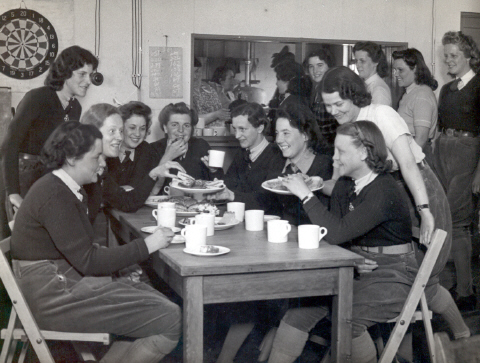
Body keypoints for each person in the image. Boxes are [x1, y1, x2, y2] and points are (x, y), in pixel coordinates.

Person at [265, 121, 469, 363]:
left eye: (341, 151)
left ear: (363, 153)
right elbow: (342, 233)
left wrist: (306, 195)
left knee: (347, 320)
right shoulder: (345, 185)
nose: (335, 158)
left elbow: (337, 232)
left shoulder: (383, 189)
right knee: (298, 313)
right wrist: (352, 258)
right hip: (363, 264)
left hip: (395, 272)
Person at [10, 121, 182, 363]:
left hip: (60, 282)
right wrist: (148, 245)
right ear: (71, 157)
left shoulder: (63, 188)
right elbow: (90, 261)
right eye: (97, 156)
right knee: (170, 318)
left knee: (156, 300)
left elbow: (84, 252)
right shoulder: (55, 195)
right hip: (52, 295)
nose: (103, 164)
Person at [1, 45, 98, 210]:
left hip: (47, 180)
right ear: (65, 73)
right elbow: (9, 146)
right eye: (82, 74)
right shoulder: (37, 98)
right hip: (22, 179)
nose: (88, 81)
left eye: (91, 75)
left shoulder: (75, 108)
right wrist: (13, 193)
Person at [433, 31, 480, 311]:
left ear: (468, 56)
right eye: (445, 55)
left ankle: (466, 291)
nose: (448, 60)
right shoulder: (446, 90)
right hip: (444, 150)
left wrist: (479, 174)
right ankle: (460, 285)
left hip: (468, 153)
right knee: (445, 216)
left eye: (453, 55)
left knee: (457, 221)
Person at [81, 104, 183, 218]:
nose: (119, 137)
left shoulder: (100, 169)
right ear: (93, 132)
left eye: (120, 131)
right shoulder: (83, 167)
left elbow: (127, 202)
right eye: (112, 131)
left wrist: (153, 174)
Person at [209, 102, 285, 213]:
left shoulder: (277, 155)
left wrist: (233, 196)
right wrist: (215, 171)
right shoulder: (243, 153)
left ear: (260, 128)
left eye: (242, 129)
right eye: (235, 129)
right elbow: (229, 185)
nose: (237, 136)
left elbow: (267, 202)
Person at [274, 103, 332, 225]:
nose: (278, 140)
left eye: (286, 133)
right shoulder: (277, 163)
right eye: (277, 133)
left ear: (305, 135)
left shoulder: (325, 166)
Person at [151, 102, 223, 194]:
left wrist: (214, 171)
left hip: (197, 204)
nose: (181, 130)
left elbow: (220, 185)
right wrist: (167, 156)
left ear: (191, 129)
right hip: (164, 206)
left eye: (186, 125)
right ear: (165, 128)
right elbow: (150, 191)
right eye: (174, 125)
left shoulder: (201, 146)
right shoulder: (153, 149)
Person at [392, 48, 439, 167]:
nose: (395, 74)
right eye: (394, 70)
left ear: (416, 69)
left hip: (417, 156)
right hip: (408, 152)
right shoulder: (410, 92)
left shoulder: (421, 95)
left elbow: (421, 139)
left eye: (400, 70)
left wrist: (407, 164)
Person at [107, 101, 159, 189]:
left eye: (142, 129)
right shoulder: (108, 150)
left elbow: (140, 187)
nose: (137, 134)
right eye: (132, 128)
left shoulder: (147, 151)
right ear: (120, 127)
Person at [303, 48, 338, 148]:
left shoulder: (332, 92)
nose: (315, 71)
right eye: (311, 67)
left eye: (320, 65)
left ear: (329, 66)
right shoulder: (317, 90)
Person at [191, 57, 231, 127]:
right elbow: (192, 120)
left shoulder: (212, 87)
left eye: (197, 71)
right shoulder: (186, 93)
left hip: (218, 132)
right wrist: (216, 115)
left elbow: (228, 107)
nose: (195, 76)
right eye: (191, 72)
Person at [353, 41, 392, 106]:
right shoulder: (366, 85)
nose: (357, 65)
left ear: (375, 62)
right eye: (356, 61)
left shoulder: (379, 90)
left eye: (362, 61)